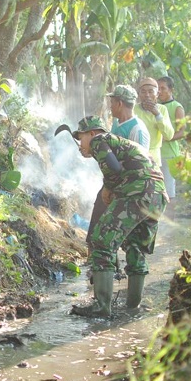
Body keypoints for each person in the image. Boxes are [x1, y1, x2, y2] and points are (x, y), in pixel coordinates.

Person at [69, 116, 167, 317]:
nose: (81, 144)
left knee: (101, 241)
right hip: (157, 195)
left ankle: (102, 307)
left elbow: (114, 169)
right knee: (136, 247)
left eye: (81, 138)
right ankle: (133, 306)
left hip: (137, 192)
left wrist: (109, 186)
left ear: (92, 133)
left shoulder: (99, 140)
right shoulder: (121, 144)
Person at [86, 85, 151, 250]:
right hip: (113, 182)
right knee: (97, 223)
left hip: (130, 187)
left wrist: (114, 187)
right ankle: (97, 262)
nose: (110, 105)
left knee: (117, 233)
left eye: (112, 101)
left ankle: (107, 265)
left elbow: (138, 164)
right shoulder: (115, 124)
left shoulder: (138, 130)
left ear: (120, 104)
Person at [133, 77, 174, 168]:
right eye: (143, 92)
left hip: (153, 160)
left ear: (157, 94)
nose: (147, 95)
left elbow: (169, 135)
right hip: (134, 158)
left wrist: (157, 115)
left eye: (151, 91)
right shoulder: (133, 109)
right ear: (139, 94)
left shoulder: (162, 109)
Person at [157, 76, 185, 200]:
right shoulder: (155, 107)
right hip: (155, 153)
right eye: (158, 88)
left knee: (169, 192)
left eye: (163, 88)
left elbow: (182, 132)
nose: (159, 91)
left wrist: (166, 138)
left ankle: (168, 218)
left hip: (170, 155)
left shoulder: (177, 107)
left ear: (171, 89)